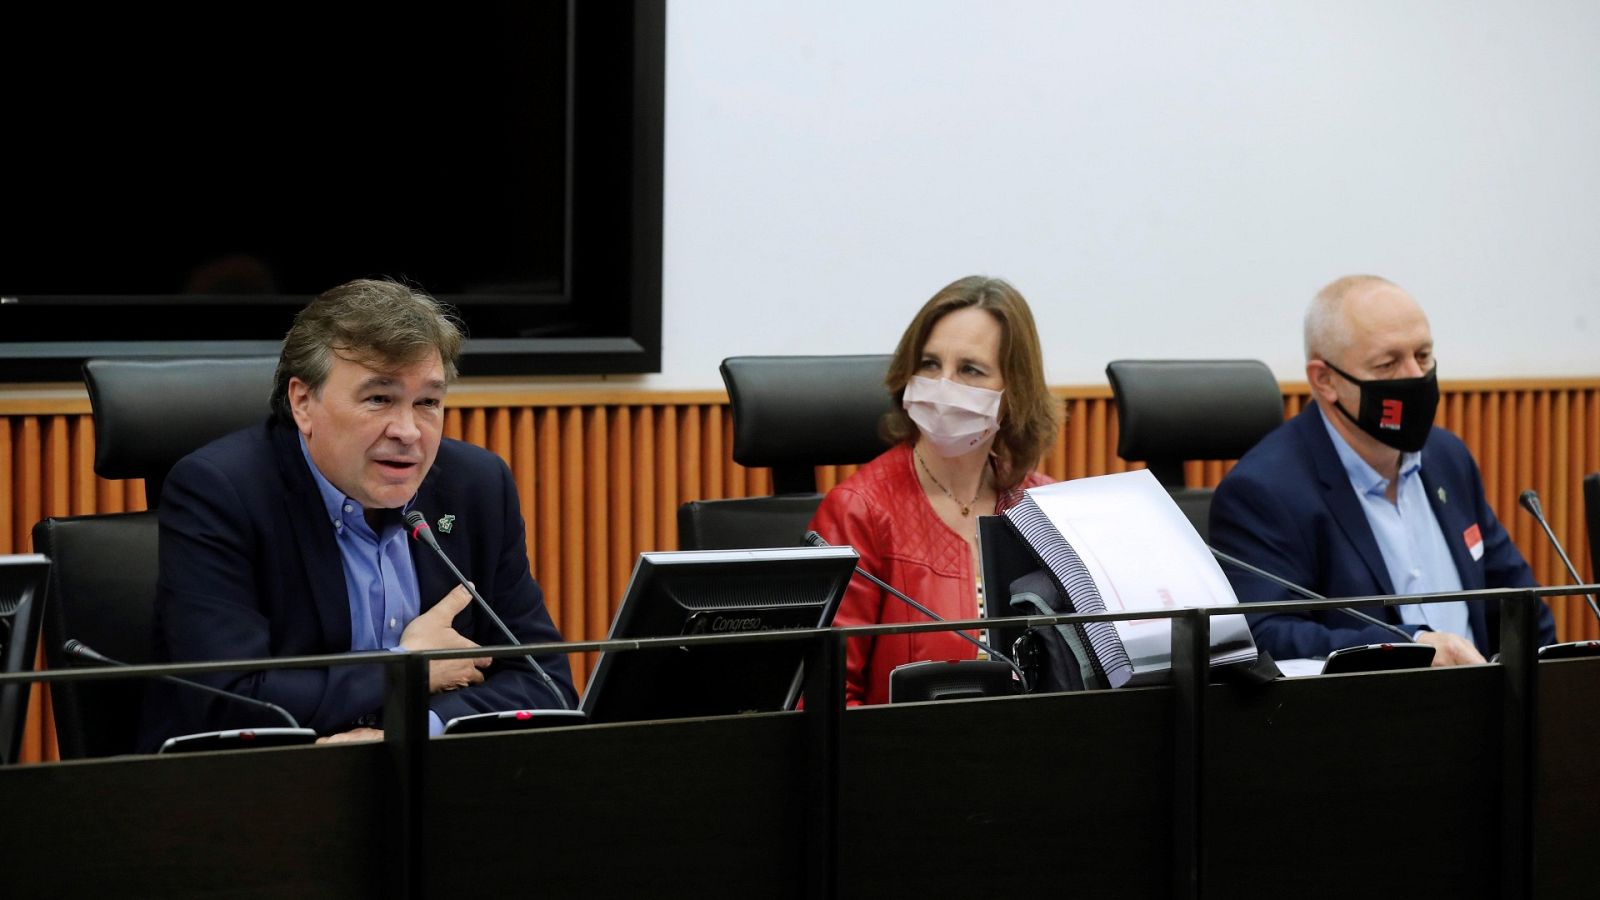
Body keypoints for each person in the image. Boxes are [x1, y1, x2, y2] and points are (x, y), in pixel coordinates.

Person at [139, 279, 574, 750]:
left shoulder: (475, 487)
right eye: (379, 399)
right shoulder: (222, 492)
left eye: (427, 402)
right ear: (303, 402)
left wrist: (410, 731)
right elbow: (231, 699)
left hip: (429, 781)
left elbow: (544, 682)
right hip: (252, 786)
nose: (408, 431)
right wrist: (407, 666)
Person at [1210, 274, 1555, 664]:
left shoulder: (1447, 457)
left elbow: (1517, 599)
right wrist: (1411, 648)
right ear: (1325, 381)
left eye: (1423, 356)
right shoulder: (1265, 490)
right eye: (1388, 364)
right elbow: (1266, 635)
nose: (1414, 377)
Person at [809, 276, 1060, 705]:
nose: (943, 386)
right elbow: (822, 700)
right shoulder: (860, 511)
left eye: (969, 369)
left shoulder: (1045, 509)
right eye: (928, 364)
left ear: (1013, 392)